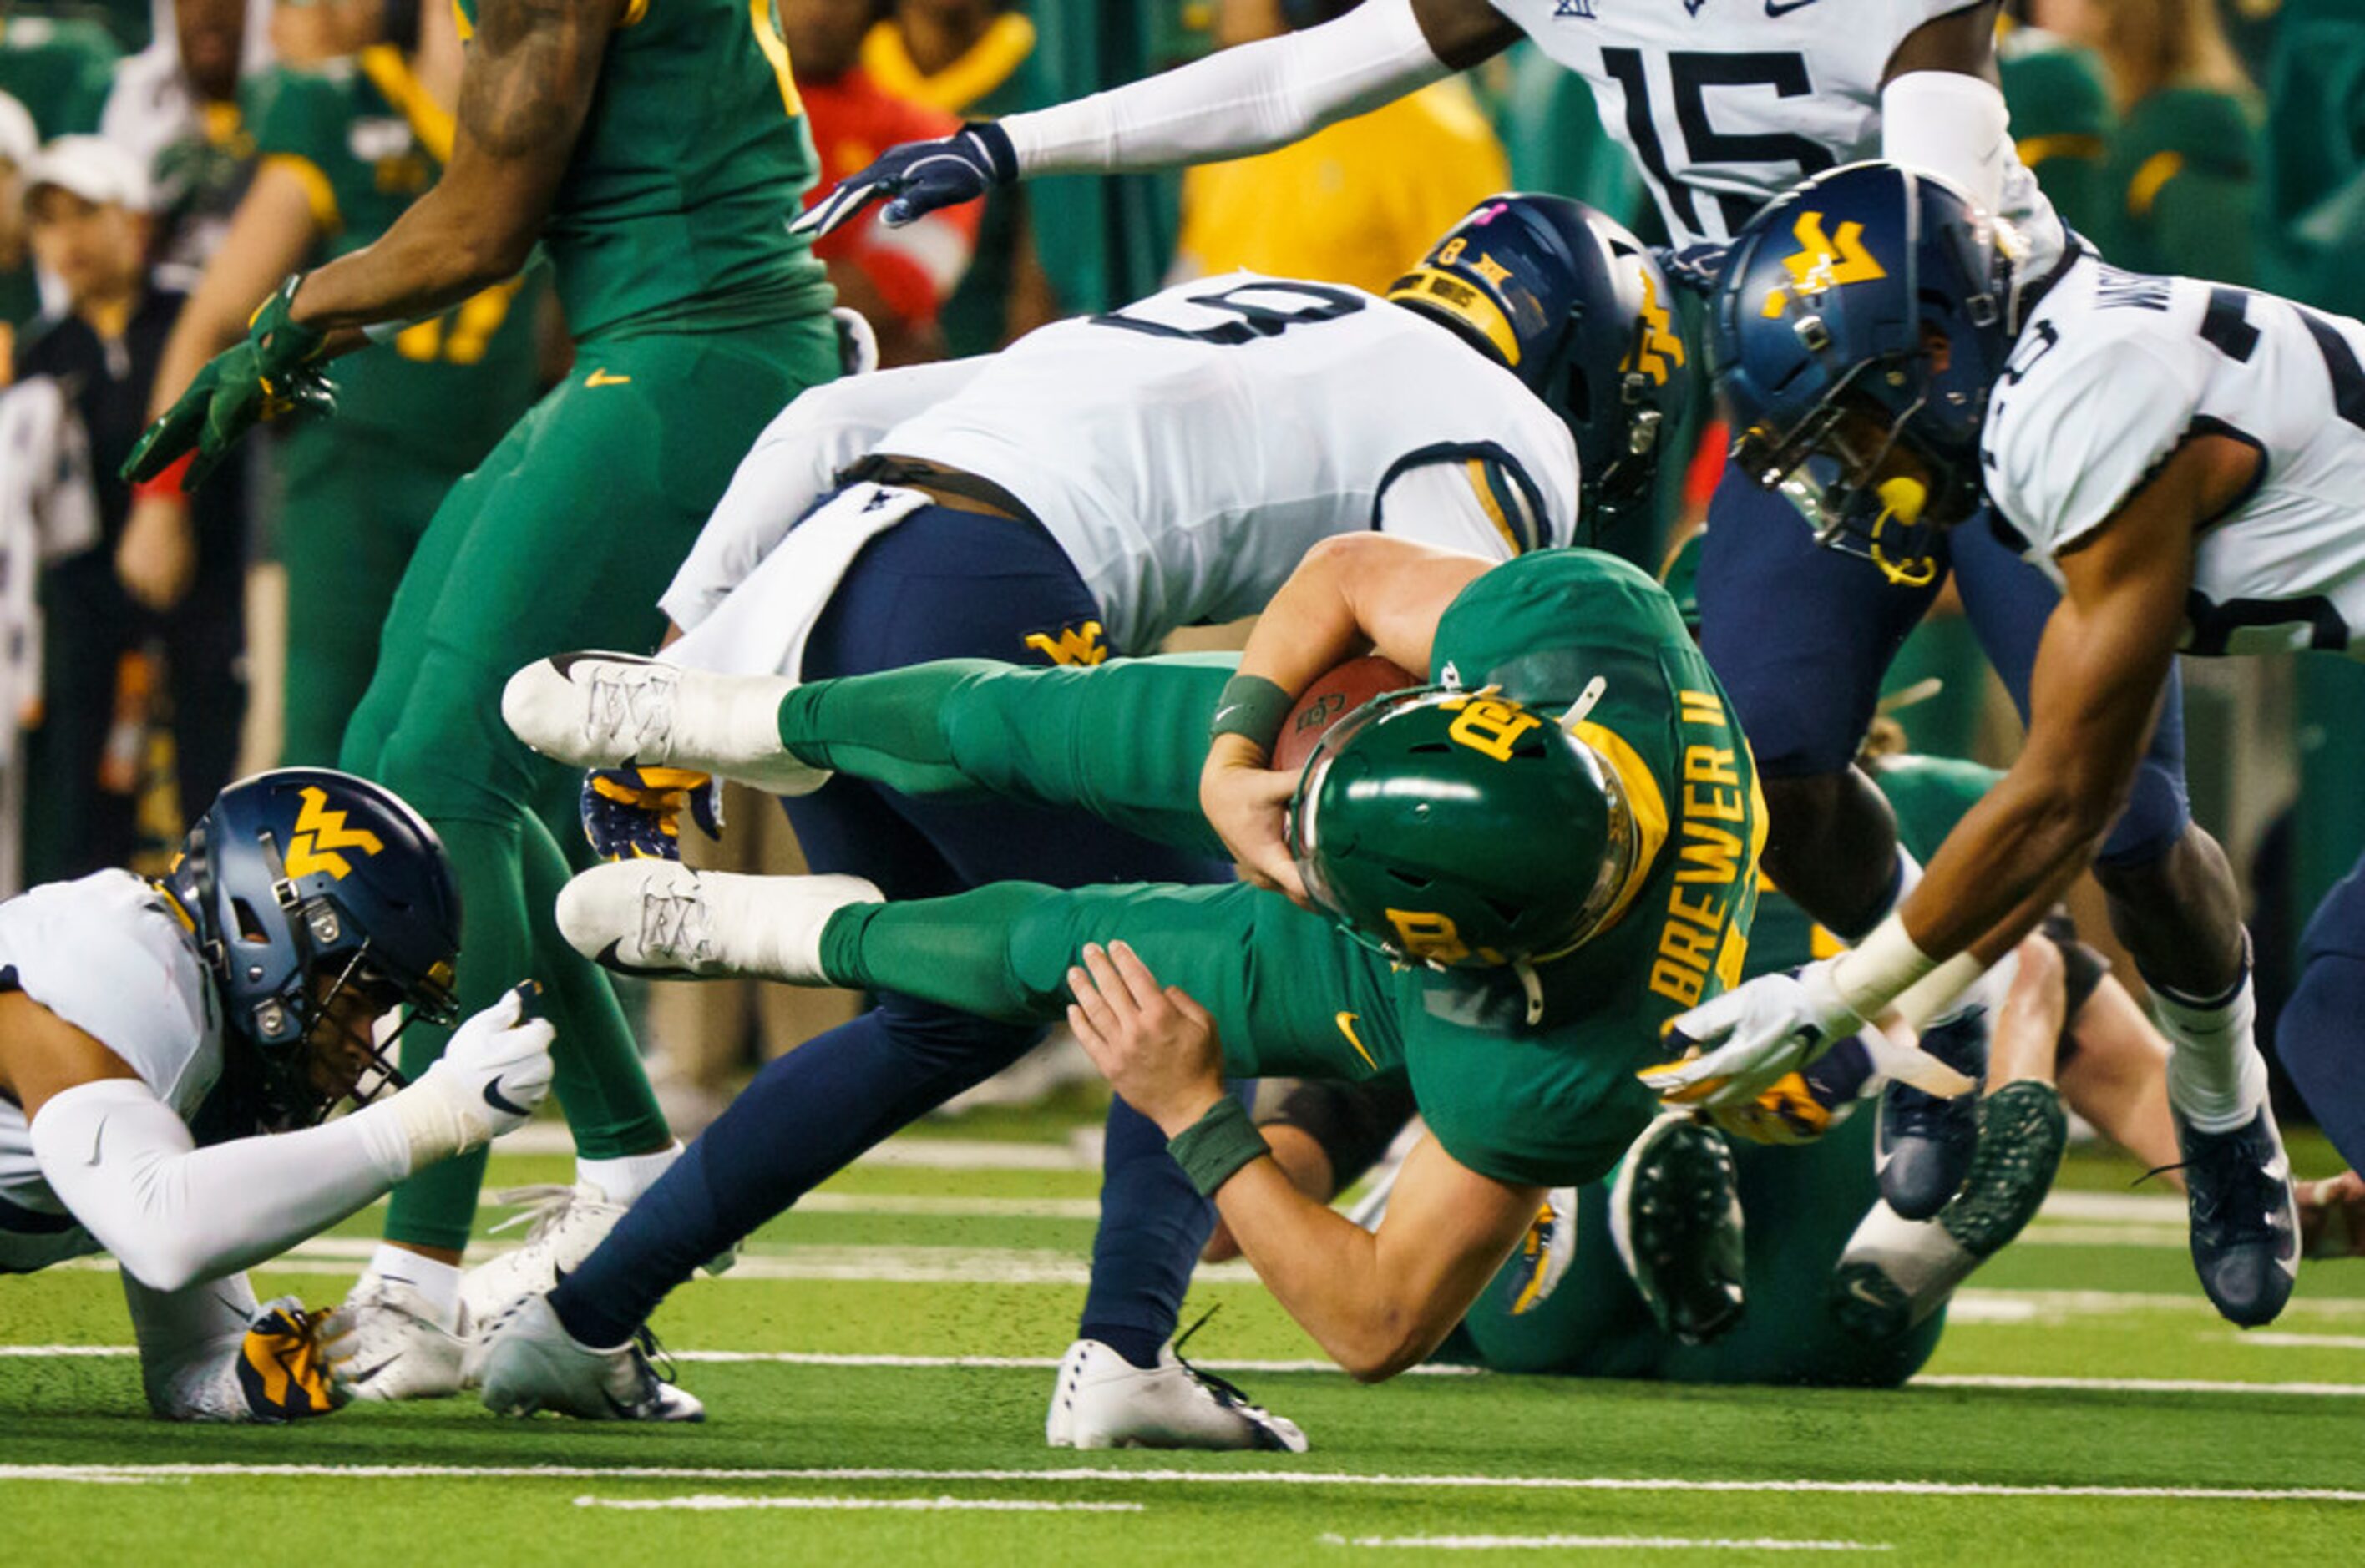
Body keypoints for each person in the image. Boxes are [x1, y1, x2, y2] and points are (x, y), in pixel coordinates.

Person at [787, 4, 2273, 1322]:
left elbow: (1938, 199)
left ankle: (2229, 1117)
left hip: (2003, 369)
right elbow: (1316, 71)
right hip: (1807, 406)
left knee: (2131, 829)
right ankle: (1945, 1008)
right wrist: (1015, 142)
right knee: (1764, 766)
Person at [547, 191, 1678, 1446]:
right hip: (985, 594)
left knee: (946, 1012)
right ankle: (1128, 1351)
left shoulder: (1251, 309)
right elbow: (1440, 723)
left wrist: (677, 663)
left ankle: (581, 1317)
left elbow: (826, 418)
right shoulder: (1504, 425)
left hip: (826, 582)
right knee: (1195, 971)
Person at [479, 513, 1787, 1420]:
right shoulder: (1580, 632)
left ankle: (755, 930)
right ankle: (737, 715)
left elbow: (1377, 1324)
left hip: (1419, 977)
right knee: (1030, 716)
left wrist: (1196, 1118)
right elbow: (1341, 572)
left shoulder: (1572, 1064)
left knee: (1073, 950)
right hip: (1357, 754)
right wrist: (1239, 757)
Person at [120, 0, 846, 1402]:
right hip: (655, 341)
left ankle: (421, 1278)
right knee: (405, 763)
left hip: (701, 348)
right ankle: (630, 1167)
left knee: (450, 784)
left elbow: (479, 228)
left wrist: (290, 314)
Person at [1651, 159, 2365, 1327]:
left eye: (1852, 427)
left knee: (2344, 1017)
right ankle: (2213, 1107)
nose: (1852, 471)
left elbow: (2062, 804)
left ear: (1933, 352)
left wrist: (1835, 994)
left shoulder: (2077, 410)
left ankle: (2221, 1111)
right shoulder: (2047, 364)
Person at [0, 767, 560, 1420]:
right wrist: (433, 1117)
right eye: (357, 998)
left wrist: (245, 1377)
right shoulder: (120, 965)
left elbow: (194, 1357)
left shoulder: (215, 1036)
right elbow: (161, 1229)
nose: (361, 1043)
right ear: (261, 928)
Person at [143, 0, 542, 762]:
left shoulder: (549, 127)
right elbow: (221, 312)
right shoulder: (337, 105)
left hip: (496, 469)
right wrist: (160, 502)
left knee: (492, 741)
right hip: (351, 478)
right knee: (323, 729)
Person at [13, 135, 246, 886]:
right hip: (90, 617)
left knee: (215, 791)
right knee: (87, 812)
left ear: (135, 222)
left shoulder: (195, 320)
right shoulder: (40, 354)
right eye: (48, 221)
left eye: (86, 213)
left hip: (207, 595)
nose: (68, 239)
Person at [782, 0, 979, 368]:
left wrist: (734, 297)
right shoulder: (709, 123)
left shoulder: (929, 137)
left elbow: (902, 283)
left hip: (864, 385)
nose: (821, 11)